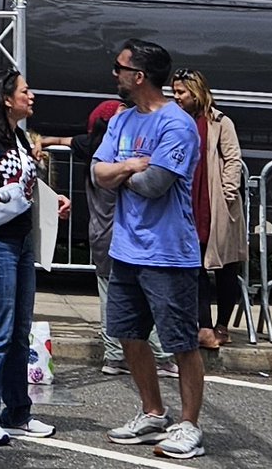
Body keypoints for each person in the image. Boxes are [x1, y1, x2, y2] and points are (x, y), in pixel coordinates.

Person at [92, 39, 206, 459]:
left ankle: (189, 425)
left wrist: (121, 174)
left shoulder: (176, 125)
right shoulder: (121, 121)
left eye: (119, 68)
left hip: (168, 251)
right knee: (128, 334)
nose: (114, 75)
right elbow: (98, 172)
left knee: (180, 342)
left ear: (138, 76)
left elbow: (156, 185)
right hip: (126, 249)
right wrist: (127, 167)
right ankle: (152, 412)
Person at [0, 70, 69, 444]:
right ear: (6, 98)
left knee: (19, 332)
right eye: (25, 91)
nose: (31, 96)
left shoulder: (19, 136)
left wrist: (52, 202)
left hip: (20, 241)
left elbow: (22, 185)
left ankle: (17, 412)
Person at [49, 100, 177, 376]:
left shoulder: (89, 147)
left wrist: (40, 141)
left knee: (110, 296)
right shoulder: (117, 157)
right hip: (120, 236)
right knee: (141, 296)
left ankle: (115, 355)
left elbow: (64, 139)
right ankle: (162, 355)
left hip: (101, 235)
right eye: (120, 117)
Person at [171, 68, 248, 348]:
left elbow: (233, 159)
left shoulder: (220, 122)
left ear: (197, 91)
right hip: (188, 202)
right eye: (174, 91)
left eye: (181, 92)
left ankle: (222, 325)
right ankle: (203, 326)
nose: (176, 97)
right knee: (195, 267)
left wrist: (228, 194)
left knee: (226, 268)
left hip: (217, 205)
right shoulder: (176, 120)